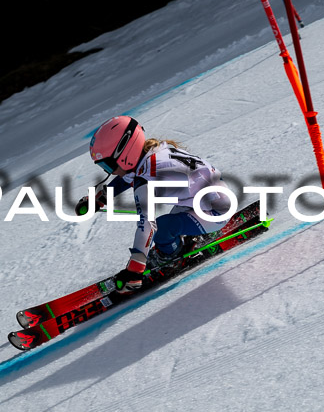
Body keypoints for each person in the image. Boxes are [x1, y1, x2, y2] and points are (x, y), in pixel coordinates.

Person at [75, 115, 232, 293]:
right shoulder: (152, 154)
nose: (108, 171)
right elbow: (128, 177)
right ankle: (186, 239)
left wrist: (136, 269)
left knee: (163, 228)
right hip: (207, 200)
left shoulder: (148, 177)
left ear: (125, 154)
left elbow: (146, 224)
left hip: (215, 211)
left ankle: (168, 259)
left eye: (109, 165)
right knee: (167, 228)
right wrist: (101, 197)